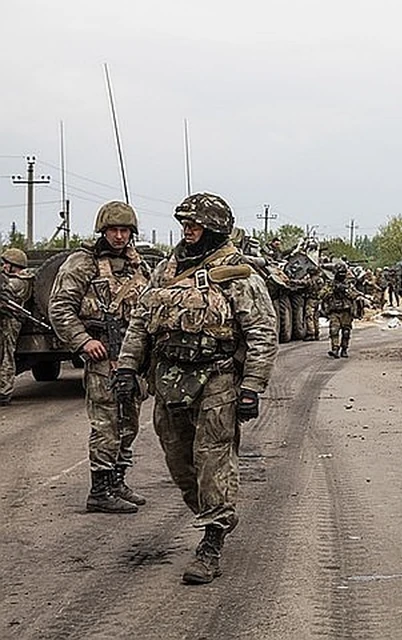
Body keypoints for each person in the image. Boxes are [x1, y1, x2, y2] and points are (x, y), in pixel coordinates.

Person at [113, 192, 278, 584]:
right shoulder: (166, 270)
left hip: (216, 380)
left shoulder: (238, 273)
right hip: (168, 380)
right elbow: (140, 321)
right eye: (185, 223)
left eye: (196, 224)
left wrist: (252, 386)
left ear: (215, 227)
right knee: (179, 463)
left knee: (212, 461)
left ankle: (212, 539)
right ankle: (214, 513)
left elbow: (262, 333)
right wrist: (126, 366)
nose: (188, 230)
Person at [48, 201, 152, 513]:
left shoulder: (137, 265)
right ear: (102, 231)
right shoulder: (82, 263)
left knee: (129, 422)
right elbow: (60, 307)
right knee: (107, 422)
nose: (119, 236)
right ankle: (99, 490)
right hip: (102, 354)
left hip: (132, 357)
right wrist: (83, 341)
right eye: (113, 230)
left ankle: (117, 480)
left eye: (124, 230)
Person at [0, 248, 33, 406]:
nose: (4, 267)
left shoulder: (21, 280)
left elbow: (7, 288)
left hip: (11, 321)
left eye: (6, 264)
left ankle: (3, 391)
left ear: (13, 265)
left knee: (6, 355)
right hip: (5, 319)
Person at [320, 262, 362, 358]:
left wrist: (346, 291)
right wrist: (331, 291)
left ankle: (344, 349)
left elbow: (355, 295)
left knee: (346, 332)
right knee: (334, 331)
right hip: (334, 311)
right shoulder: (330, 284)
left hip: (346, 311)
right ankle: (335, 349)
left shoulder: (348, 284)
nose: (342, 274)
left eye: (343, 272)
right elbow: (321, 295)